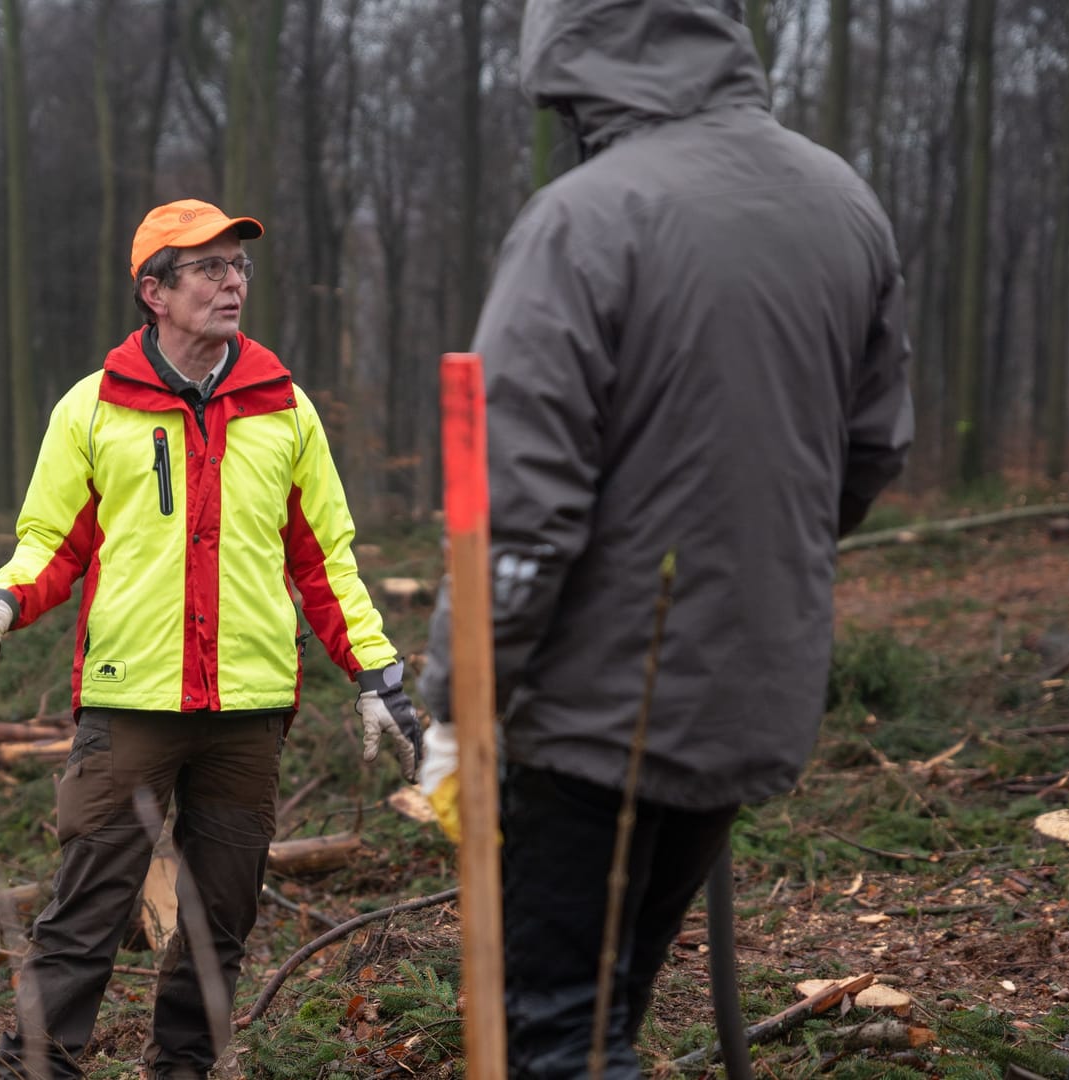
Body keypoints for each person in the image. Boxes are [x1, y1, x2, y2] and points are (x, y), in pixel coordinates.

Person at [416, 0, 913, 1074]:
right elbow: (870, 453)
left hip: (591, 714)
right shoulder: (842, 200)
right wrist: (750, 566)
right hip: (752, 689)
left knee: (552, 1033)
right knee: (609, 1012)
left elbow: (516, 506)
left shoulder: (586, 216)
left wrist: (460, 694)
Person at [0, 198, 424, 1079]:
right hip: (130, 705)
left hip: (247, 713)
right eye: (208, 268)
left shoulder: (285, 409)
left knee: (220, 927)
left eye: (238, 266)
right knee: (84, 912)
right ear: (153, 292)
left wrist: (376, 673)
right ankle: (37, 1069)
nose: (232, 282)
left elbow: (327, 562)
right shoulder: (92, 408)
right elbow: (52, 540)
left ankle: (185, 1070)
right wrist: (5, 598)